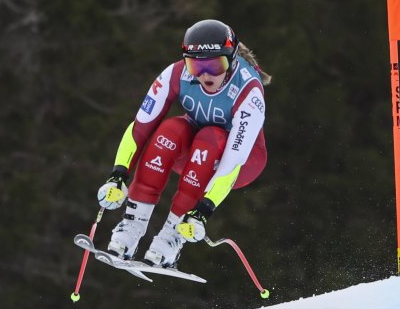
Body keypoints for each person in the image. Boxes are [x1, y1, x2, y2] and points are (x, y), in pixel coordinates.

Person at [95, 19, 271, 268]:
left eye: (214, 65)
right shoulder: (176, 73)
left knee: (211, 138)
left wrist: (204, 210)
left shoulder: (248, 90)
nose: (206, 75)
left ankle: (171, 238)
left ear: (231, 60)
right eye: (196, 66)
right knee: (170, 129)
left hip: (241, 163)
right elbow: (140, 127)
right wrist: (118, 174)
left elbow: (234, 160)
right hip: (194, 154)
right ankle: (131, 227)